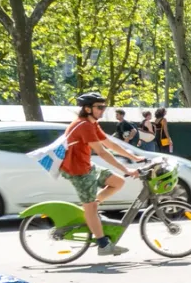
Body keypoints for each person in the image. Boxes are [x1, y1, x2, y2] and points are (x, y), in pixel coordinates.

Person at [58, 93, 145, 257]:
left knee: (117, 182)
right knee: (90, 206)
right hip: (78, 171)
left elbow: (109, 143)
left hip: (87, 166)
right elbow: (102, 152)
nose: (103, 110)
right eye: (99, 107)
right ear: (87, 108)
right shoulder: (83, 125)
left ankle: (92, 212)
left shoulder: (92, 124)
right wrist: (126, 169)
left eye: (104, 107)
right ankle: (103, 244)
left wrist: (133, 157)